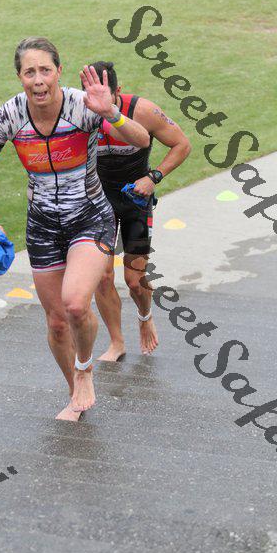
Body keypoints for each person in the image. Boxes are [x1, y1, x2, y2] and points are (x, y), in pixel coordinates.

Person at [0, 38, 150, 422]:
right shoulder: (9, 115)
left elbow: (142, 139)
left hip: (90, 216)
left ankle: (84, 368)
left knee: (77, 304)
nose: (38, 80)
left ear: (58, 72)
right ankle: (74, 391)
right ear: (19, 77)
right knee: (58, 323)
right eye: (29, 72)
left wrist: (110, 112)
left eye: (45, 70)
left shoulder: (84, 105)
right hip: (43, 225)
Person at [88, 61, 191, 361]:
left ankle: (145, 316)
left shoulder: (143, 111)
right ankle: (116, 342)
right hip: (99, 201)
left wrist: (153, 177)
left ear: (118, 91)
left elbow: (182, 144)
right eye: (92, 97)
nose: (99, 104)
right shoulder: (80, 113)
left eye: (106, 97)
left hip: (135, 200)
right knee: (102, 277)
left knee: (134, 279)